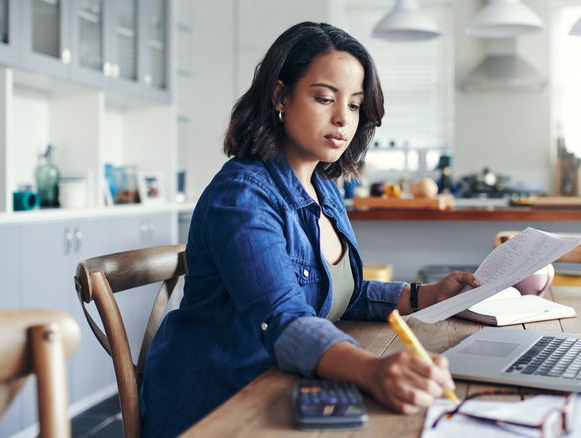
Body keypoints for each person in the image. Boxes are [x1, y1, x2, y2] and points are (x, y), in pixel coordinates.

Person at [139, 21, 479, 437]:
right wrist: (371, 370)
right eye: (324, 98)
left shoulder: (324, 188)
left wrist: (425, 297)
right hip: (221, 404)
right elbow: (284, 316)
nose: (342, 118)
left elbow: (335, 293)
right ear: (280, 96)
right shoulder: (242, 196)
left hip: (283, 387)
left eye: (354, 105)